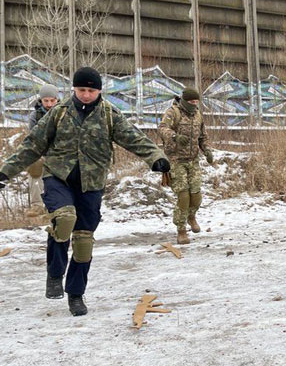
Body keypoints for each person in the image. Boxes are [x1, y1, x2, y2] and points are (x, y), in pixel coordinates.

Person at [0, 67, 169, 316]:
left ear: (99, 90)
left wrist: (155, 157)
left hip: (92, 183)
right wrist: (6, 171)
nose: (86, 95)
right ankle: (55, 272)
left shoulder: (110, 115)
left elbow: (134, 137)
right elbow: (33, 144)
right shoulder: (58, 113)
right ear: (74, 90)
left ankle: (76, 294)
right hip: (58, 177)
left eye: (91, 90)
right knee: (65, 219)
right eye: (81, 90)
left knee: (83, 241)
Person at [158, 87, 213, 244]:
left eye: (196, 102)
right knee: (183, 195)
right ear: (184, 101)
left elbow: (203, 137)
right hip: (175, 160)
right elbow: (162, 129)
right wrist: (175, 136)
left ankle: (191, 216)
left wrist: (207, 150)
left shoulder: (198, 115)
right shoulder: (173, 112)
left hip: (193, 160)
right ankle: (181, 230)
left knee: (196, 195)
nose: (194, 104)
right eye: (191, 102)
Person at [25, 84, 60, 218]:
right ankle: (37, 205)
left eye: (52, 100)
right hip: (42, 150)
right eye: (46, 101)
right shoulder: (35, 115)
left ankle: (56, 206)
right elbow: (33, 136)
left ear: (57, 99)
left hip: (60, 151)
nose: (49, 104)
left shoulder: (65, 112)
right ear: (41, 100)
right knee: (35, 168)